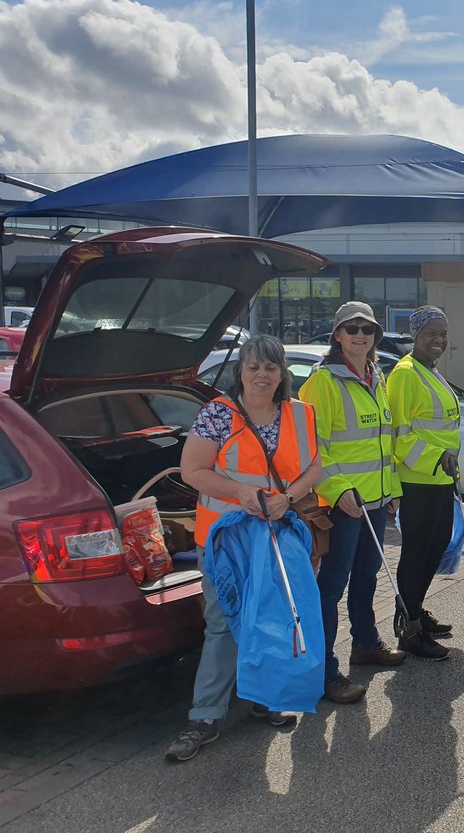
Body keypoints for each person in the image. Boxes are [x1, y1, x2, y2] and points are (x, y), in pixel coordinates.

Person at [166, 334, 325, 761]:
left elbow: (316, 466)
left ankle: (264, 696)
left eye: (271, 367)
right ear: (240, 371)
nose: (262, 374)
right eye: (253, 366)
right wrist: (242, 492)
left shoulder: (300, 414)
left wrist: (287, 497)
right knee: (224, 623)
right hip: (226, 539)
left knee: (273, 617)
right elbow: (192, 470)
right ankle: (204, 716)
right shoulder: (218, 415)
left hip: (278, 535)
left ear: (282, 374)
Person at [299, 302, 406, 705]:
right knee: (331, 585)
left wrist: (392, 490)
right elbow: (315, 448)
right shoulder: (323, 383)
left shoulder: (376, 377)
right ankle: (325, 671)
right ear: (338, 336)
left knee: (367, 574)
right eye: (352, 328)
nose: (361, 335)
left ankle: (364, 644)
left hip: (374, 502)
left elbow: (383, 445)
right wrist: (338, 490)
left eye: (368, 329)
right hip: (341, 505)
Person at [386, 306, 459, 661]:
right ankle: (409, 628)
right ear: (415, 335)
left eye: (443, 333)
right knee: (418, 551)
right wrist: (435, 458)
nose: (439, 340)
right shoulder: (404, 374)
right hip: (418, 480)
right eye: (432, 333)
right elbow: (398, 435)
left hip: (439, 477)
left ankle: (412, 609)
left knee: (438, 544)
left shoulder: (429, 371)